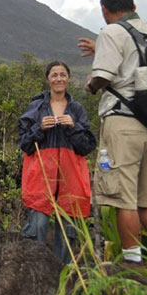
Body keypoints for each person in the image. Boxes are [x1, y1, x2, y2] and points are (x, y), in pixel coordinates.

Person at [77, 0, 147, 265]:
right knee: (145, 197)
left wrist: (91, 85)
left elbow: (104, 77)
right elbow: (135, 67)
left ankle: (133, 264)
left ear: (105, 10)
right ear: (134, 5)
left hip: (124, 125)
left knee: (123, 198)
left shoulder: (111, 32)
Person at [17, 61, 96, 264]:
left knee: (69, 229)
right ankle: (32, 271)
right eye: (54, 75)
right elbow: (24, 143)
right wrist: (39, 128)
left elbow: (87, 146)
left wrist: (74, 126)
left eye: (62, 74)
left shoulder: (77, 109)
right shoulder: (36, 107)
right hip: (41, 175)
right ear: (48, 79)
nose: (59, 78)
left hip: (71, 178)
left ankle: (65, 276)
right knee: (37, 225)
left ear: (68, 78)